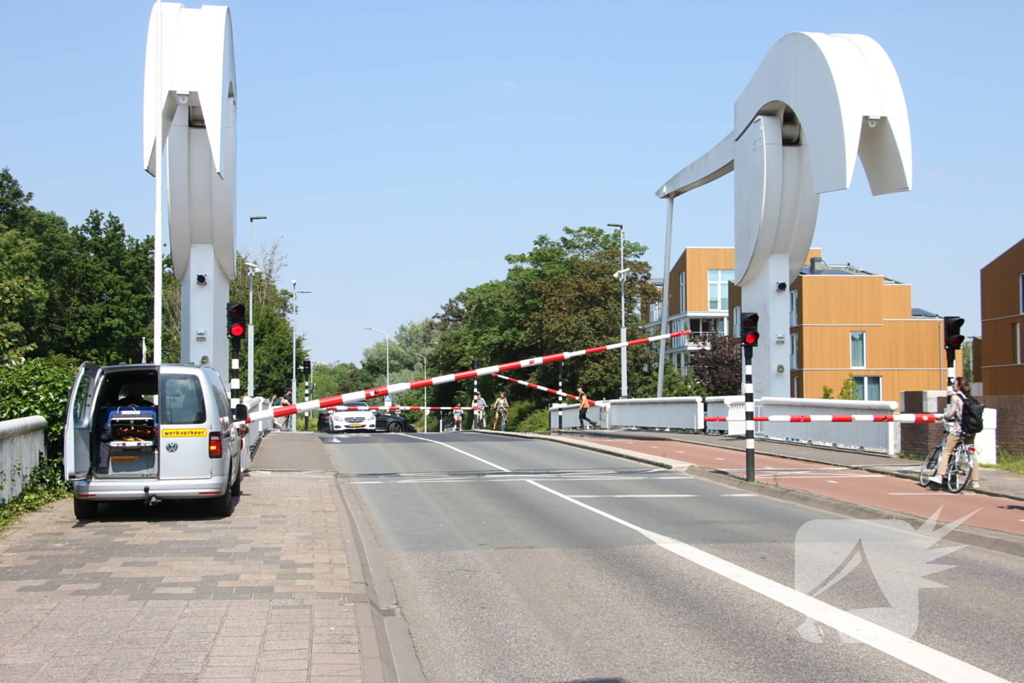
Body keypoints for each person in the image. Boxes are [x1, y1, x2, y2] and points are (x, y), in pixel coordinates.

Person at [931, 377, 979, 489]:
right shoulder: (971, 398)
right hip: (971, 429)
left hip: (959, 429)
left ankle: (939, 476)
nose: (953, 385)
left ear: (959, 386)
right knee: (972, 454)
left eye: (955, 384)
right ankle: (975, 481)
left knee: (946, 451)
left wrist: (942, 417)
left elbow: (951, 413)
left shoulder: (955, 397)